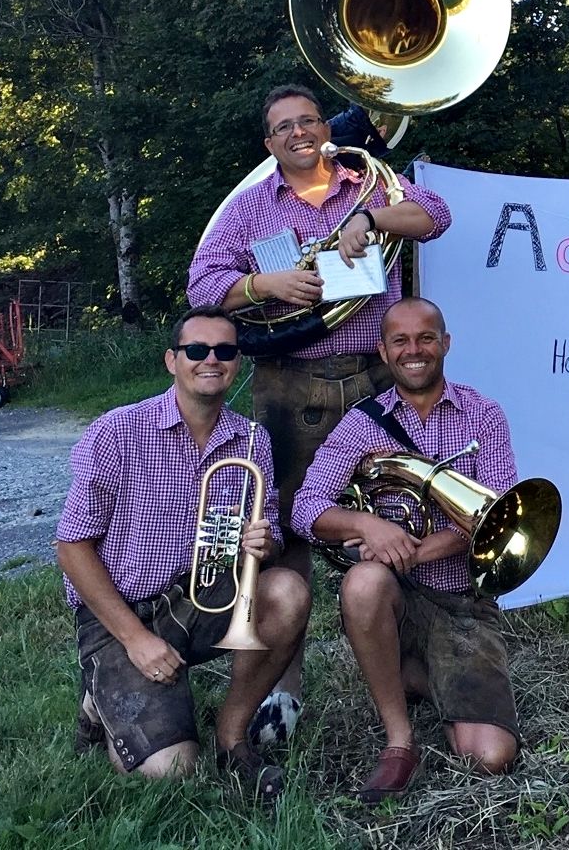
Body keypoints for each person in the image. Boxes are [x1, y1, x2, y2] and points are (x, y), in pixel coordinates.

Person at [187, 84, 452, 742]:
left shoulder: (370, 182)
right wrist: (264, 284)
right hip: (290, 384)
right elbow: (202, 286)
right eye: (284, 127)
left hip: (375, 381)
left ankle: (410, 668)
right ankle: (284, 691)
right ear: (269, 143)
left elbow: (436, 214)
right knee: (287, 532)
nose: (299, 133)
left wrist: (373, 221)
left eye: (308, 120)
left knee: (401, 517)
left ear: (325, 128)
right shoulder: (249, 208)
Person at [56, 306, 310, 803]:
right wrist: (135, 640)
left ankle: (232, 737)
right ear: (172, 360)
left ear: (237, 363)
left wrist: (265, 544)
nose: (211, 359)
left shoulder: (252, 439)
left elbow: (270, 535)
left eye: (225, 350)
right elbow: (72, 548)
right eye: (197, 350)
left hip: (202, 596)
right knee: (171, 770)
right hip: (122, 614)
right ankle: (99, 697)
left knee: (287, 592)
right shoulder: (117, 431)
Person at [292, 297, 521, 803]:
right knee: (364, 582)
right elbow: (306, 509)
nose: (413, 350)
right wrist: (366, 524)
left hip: (462, 602)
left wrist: (414, 550)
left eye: (425, 338)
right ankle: (399, 741)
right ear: (383, 350)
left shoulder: (483, 415)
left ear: (445, 344)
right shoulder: (361, 423)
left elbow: (499, 517)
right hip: (393, 596)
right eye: (400, 341)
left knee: (490, 756)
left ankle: (417, 674)